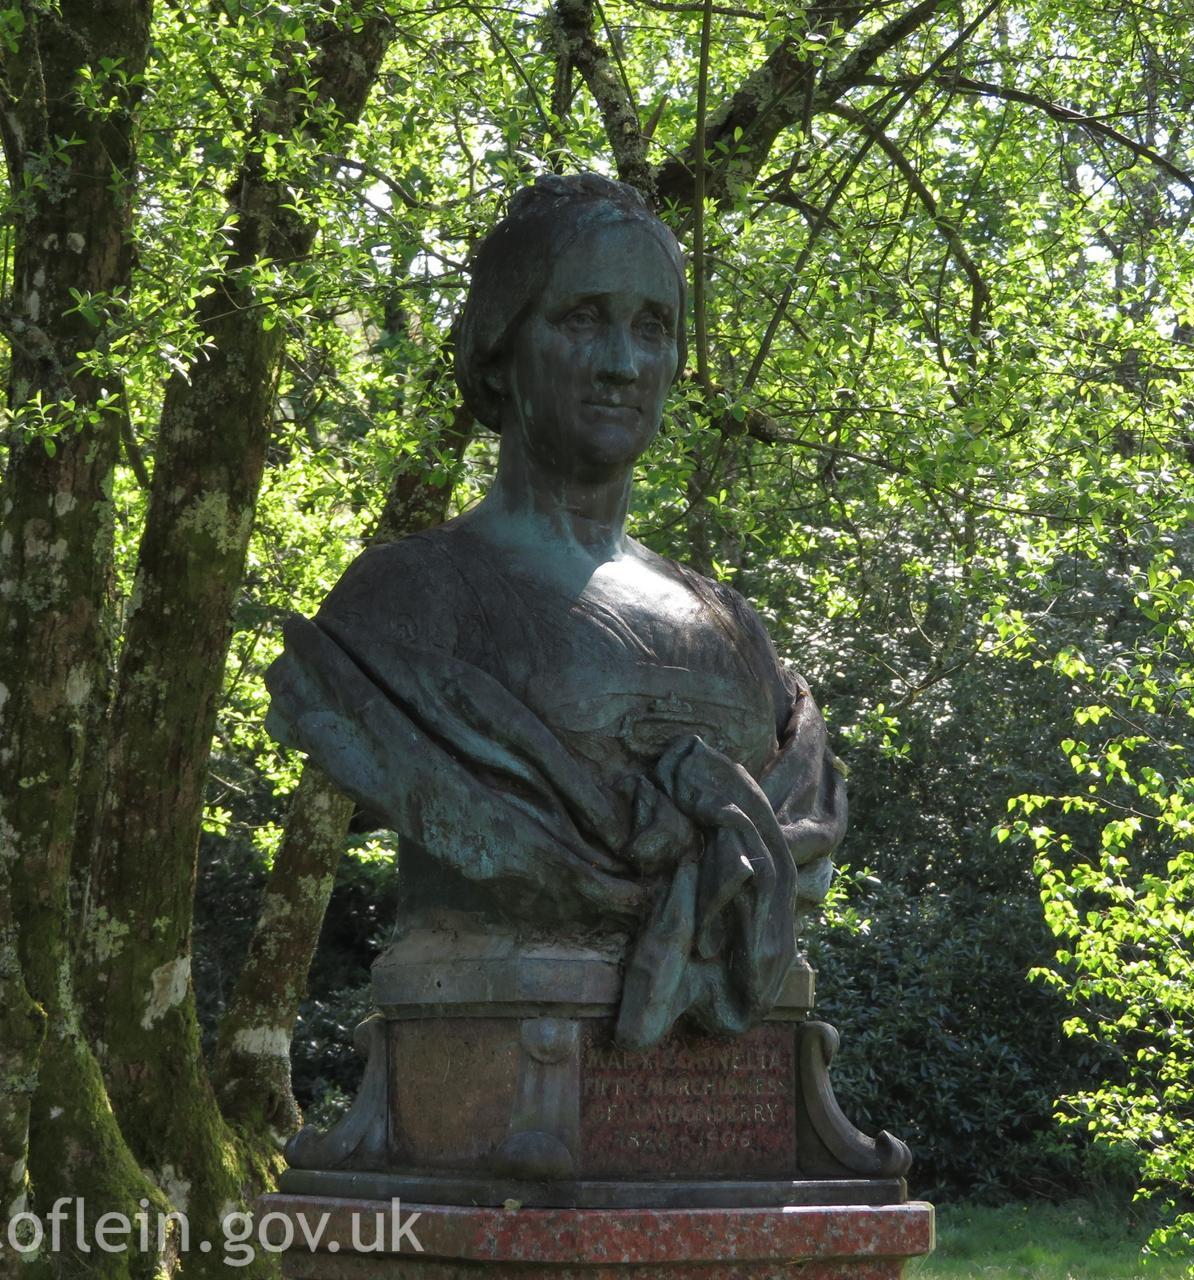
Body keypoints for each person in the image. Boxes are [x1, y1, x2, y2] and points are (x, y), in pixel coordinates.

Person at [266, 174, 845, 1052]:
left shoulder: (734, 634)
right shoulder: (401, 607)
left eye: (652, 328)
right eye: (582, 319)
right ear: (499, 349)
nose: (622, 362)